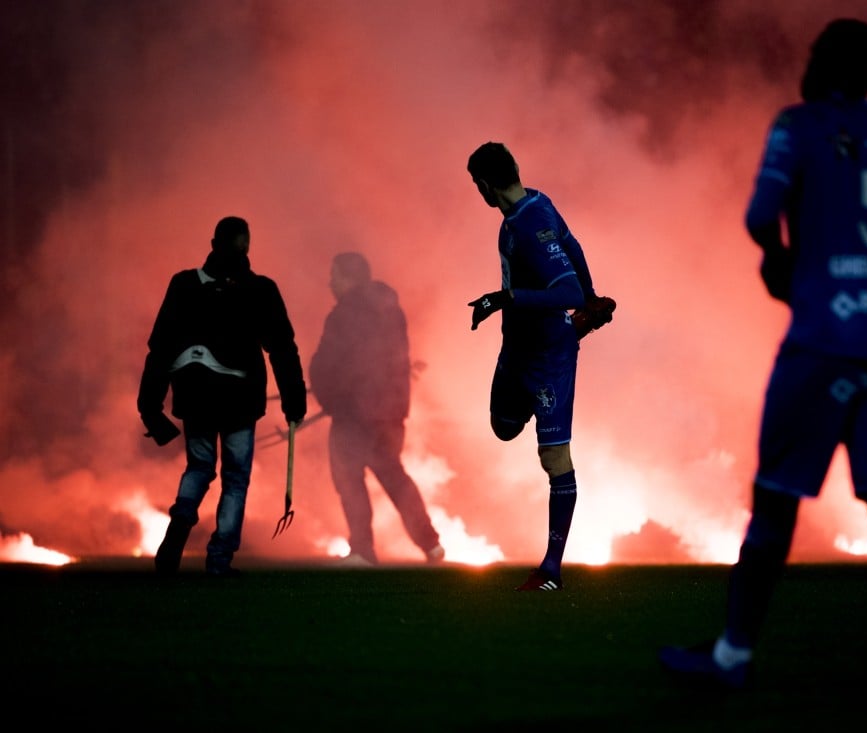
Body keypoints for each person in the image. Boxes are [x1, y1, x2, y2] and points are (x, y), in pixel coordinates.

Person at [659, 18, 867, 698]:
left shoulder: (796, 125)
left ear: (822, 62)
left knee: (776, 500)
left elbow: (761, 217)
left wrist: (795, 264)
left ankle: (733, 655)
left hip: (822, 344)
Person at [466, 141, 608, 591]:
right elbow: (572, 245)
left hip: (549, 358)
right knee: (504, 426)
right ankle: (566, 340)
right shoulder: (533, 206)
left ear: (486, 186)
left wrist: (509, 298)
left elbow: (563, 289)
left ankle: (551, 569)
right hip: (517, 349)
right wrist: (592, 296)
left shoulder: (529, 225)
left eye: (477, 185)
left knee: (553, 456)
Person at [138, 215, 308, 577]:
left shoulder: (184, 285)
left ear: (213, 243)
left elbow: (161, 347)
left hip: (195, 395)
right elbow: (281, 348)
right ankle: (218, 560)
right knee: (235, 478)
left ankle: (181, 520)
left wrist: (149, 404)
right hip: (239, 399)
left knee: (199, 467)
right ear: (246, 246)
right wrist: (294, 400)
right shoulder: (260, 289)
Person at [309, 251, 444, 566]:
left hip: (354, 413)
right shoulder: (390, 310)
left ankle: (362, 551)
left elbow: (329, 363)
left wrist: (328, 396)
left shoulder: (345, 314)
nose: (330, 283)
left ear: (349, 278)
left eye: (335, 276)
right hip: (390, 412)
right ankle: (431, 545)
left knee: (348, 478)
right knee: (395, 477)